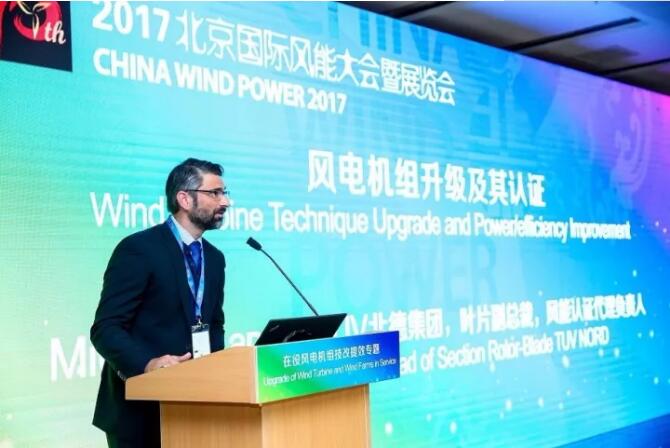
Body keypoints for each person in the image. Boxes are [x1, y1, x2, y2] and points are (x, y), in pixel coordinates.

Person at [90, 158, 230, 447]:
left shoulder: (215, 258)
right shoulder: (139, 249)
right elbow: (106, 328)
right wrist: (147, 364)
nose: (225, 201)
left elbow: (214, 324)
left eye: (224, 193)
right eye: (214, 193)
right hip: (139, 414)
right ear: (184, 199)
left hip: (196, 407)